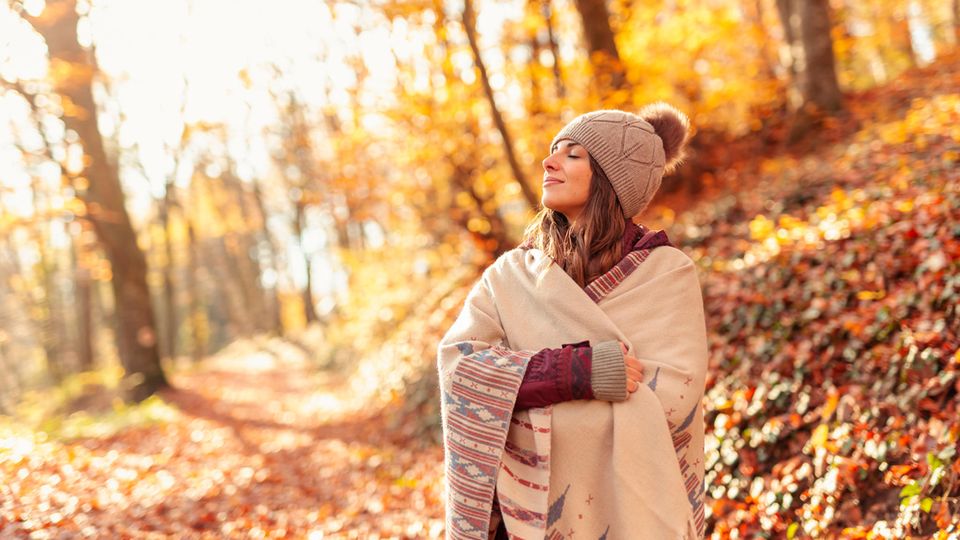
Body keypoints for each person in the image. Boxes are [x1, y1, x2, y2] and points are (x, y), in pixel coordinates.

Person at [437, 104, 708, 540]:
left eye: (573, 154)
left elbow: (674, 400)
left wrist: (523, 403)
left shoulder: (667, 273)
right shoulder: (509, 276)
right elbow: (461, 371)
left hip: (633, 516)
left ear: (611, 177)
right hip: (520, 521)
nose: (549, 161)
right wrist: (574, 373)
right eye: (553, 150)